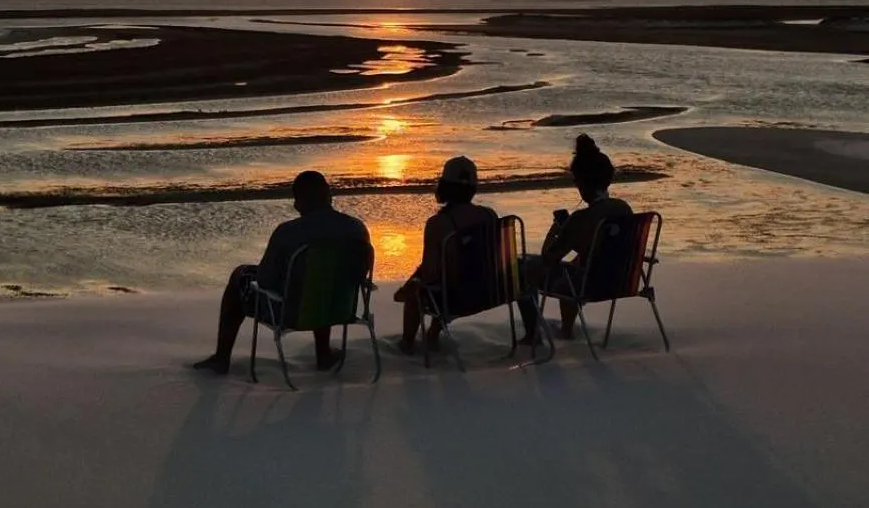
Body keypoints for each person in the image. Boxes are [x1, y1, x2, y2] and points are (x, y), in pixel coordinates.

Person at [192, 170, 370, 375]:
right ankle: (324, 354)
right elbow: (359, 275)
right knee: (322, 280)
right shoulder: (357, 229)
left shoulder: (288, 232)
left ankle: (221, 358)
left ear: (299, 200)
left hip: (292, 314)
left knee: (240, 275)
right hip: (340, 309)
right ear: (329, 196)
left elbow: (266, 281)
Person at [518, 133, 632, 344]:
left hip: (589, 285)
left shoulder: (581, 219)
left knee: (522, 267)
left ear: (581, 181)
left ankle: (534, 335)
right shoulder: (623, 208)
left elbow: (548, 258)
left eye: (575, 179)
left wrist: (556, 230)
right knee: (576, 267)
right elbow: (602, 249)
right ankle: (566, 328)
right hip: (621, 280)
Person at [394, 156, 497, 354]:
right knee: (452, 277)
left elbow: (430, 272)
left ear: (444, 185)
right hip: (490, 291)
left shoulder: (439, 223)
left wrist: (409, 285)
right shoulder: (489, 215)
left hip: (456, 299)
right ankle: (433, 334)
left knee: (419, 288)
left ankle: (407, 343)